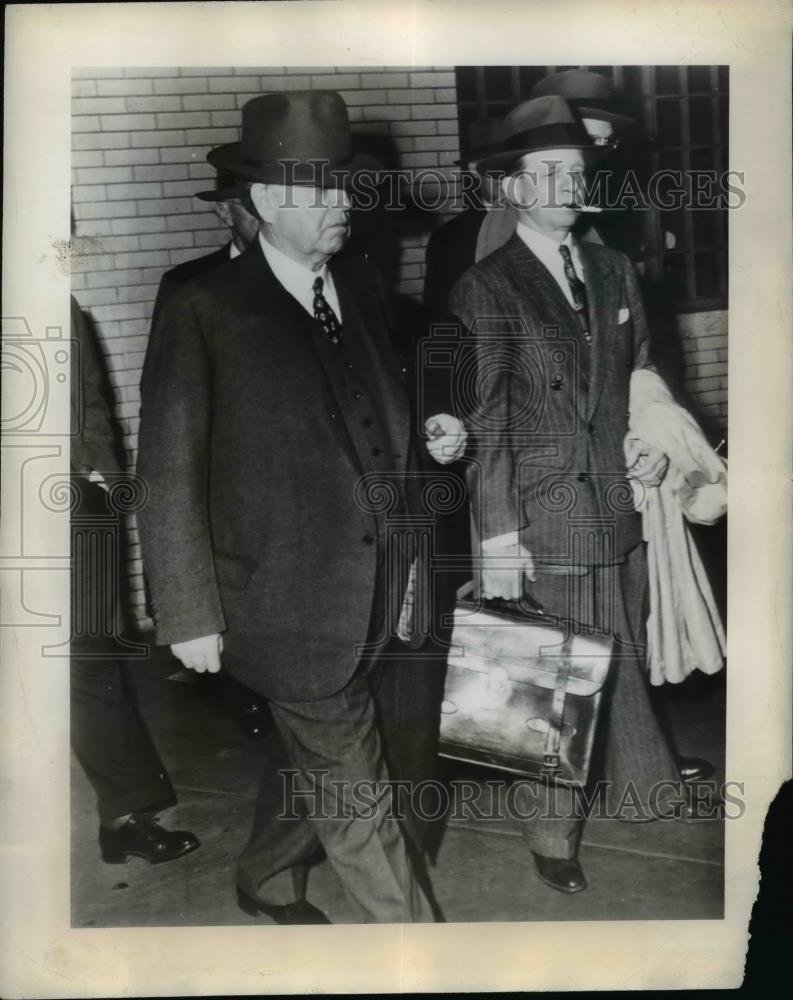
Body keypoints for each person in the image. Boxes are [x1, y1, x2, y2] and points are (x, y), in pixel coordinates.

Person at [136, 90, 438, 924]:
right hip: (278, 597)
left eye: (347, 189)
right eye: (322, 192)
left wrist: (434, 435)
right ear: (267, 201)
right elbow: (166, 468)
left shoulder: (365, 285)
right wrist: (186, 610)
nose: (344, 207)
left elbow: (381, 419)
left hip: (384, 591)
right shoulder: (204, 305)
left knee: (333, 758)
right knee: (358, 789)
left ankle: (267, 874)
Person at [428, 95, 684, 895]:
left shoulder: (613, 270)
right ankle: (550, 838)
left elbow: (640, 371)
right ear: (510, 188)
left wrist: (650, 438)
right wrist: (498, 535)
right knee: (550, 685)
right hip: (539, 516)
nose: (566, 185)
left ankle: (644, 788)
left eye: (574, 171)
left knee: (623, 663)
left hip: (616, 507)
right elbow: (486, 418)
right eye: (546, 173)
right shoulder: (486, 287)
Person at [70, 295, 200, 865]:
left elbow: (89, 398)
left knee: (89, 657)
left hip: (68, 503)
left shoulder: (56, 300)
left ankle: (123, 814)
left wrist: (100, 481)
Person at [149, 170, 260, 330]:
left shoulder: (305, 274)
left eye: (276, 201)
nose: (266, 212)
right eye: (252, 203)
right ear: (225, 211)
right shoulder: (184, 284)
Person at [423, 118, 504, 323]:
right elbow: (440, 317)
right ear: (475, 170)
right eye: (497, 170)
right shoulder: (448, 239)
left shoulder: (535, 227)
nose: (507, 180)